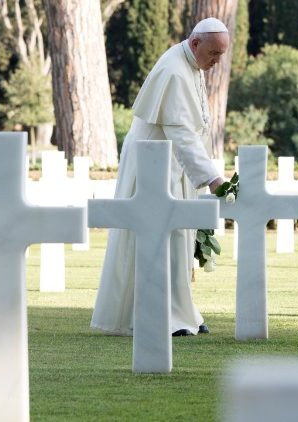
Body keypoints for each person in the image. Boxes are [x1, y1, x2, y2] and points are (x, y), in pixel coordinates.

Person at [91, 17, 230, 337]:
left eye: (221, 55)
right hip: (154, 173)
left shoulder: (190, 65)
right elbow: (180, 133)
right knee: (160, 242)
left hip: (173, 169)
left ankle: (183, 314)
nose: (216, 61)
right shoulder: (173, 70)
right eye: (213, 53)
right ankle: (161, 317)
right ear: (195, 44)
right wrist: (212, 178)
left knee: (179, 243)